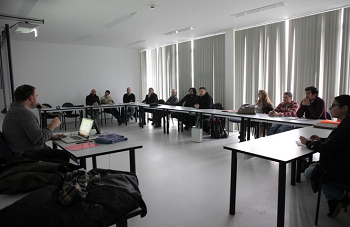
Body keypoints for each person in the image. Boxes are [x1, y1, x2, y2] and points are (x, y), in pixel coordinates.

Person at [300, 95, 350, 218]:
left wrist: (308, 143)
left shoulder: (345, 127)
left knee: (309, 172)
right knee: (312, 166)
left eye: (333, 105)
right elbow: (338, 142)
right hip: (343, 162)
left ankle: (341, 199)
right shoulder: (346, 123)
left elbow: (327, 148)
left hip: (343, 168)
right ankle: (333, 202)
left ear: (344, 108)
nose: (330, 108)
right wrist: (322, 139)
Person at [2, 85, 67, 159]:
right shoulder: (23, 113)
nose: (37, 99)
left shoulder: (14, 111)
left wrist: (50, 136)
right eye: (36, 96)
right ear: (31, 98)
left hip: (22, 152)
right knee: (65, 155)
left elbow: (30, 136)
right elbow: (39, 139)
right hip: (29, 156)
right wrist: (53, 125)